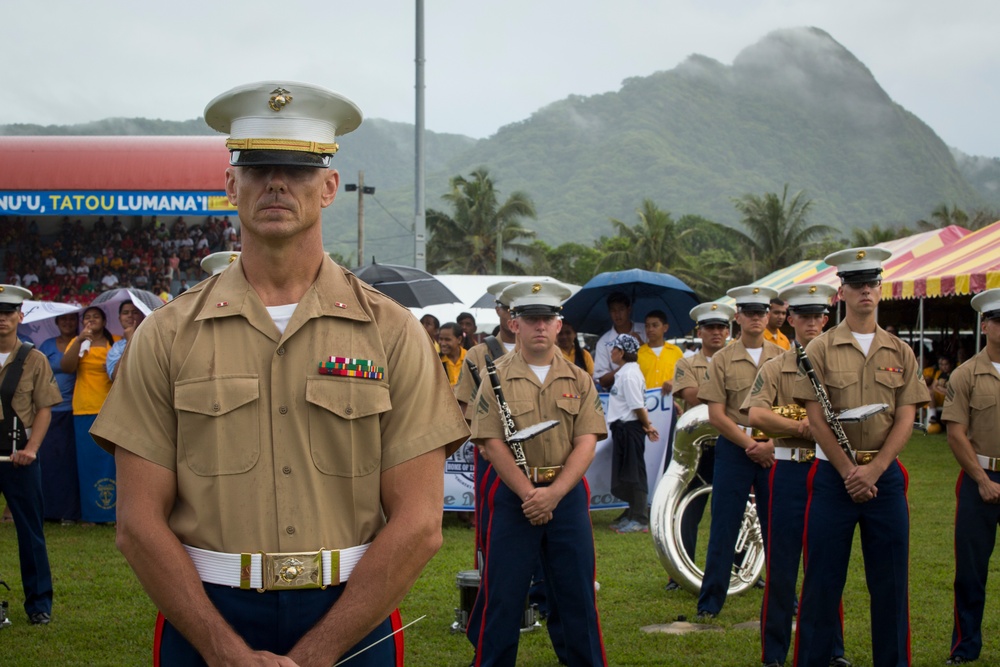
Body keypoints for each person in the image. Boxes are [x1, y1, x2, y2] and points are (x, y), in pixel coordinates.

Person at [90, 80, 470, 665]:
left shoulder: (393, 334)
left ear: (329, 187)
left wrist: (320, 651)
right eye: (258, 166)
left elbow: (419, 523)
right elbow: (138, 523)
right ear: (229, 184)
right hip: (206, 613)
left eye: (296, 169)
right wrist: (224, 651)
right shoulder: (165, 336)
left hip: (353, 613)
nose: (275, 183)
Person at [792, 247, 927, 667]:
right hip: (835, 478)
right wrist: (851, 470)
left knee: (890, 587)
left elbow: (907, 415)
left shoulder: (900, 352)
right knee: (820, 586)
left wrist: (875, 469)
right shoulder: (820, 349)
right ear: (842, 293)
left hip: (884, 480)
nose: (865, 290)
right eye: (856, 284)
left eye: (872, 283)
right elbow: (815, 417)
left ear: (880, 290)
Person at [468, 280, 607, 666]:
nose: (540, 327)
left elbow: (587, 440)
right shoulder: (494, 377)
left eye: (547, 318)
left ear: (559, 325)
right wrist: (530, 493)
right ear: (515, 324)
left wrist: (554, 494)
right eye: (531, 319)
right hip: (515, 496)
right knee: (504, 596)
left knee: (576, 594)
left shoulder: (579, 378)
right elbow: (490, 442)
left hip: (565, 495)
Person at [454, 281, 568, 665]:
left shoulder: (554, 357)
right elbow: (465, 408)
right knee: (500, 559)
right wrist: (493, 439)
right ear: (508, 315)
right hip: (496, 461)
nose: (509, 314)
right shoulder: (479, 354)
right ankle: (487, 633)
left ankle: (542, 604)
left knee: (559, 563)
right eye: (506, 309)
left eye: (543, 316)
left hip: (548, 470)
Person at [741, 284, 849, 667]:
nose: (813, 324)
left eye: (819, 316)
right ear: (790, 320)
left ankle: (832, 649)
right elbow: (755, 415)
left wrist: (794, 421)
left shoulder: (841, 367)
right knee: (783, 567)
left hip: (828, 471)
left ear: (827, 318)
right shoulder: (775, 367)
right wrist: (805, 427)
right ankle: (774, 654)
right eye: (804, 316)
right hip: (787, 470)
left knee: (825, 566)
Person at [697, 285, 782, 619]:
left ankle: (783, 599)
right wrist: (751, 445)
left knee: (777, 527)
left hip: (776, 447)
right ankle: (710, 603)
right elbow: (716, 415)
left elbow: (793, 408)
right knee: (723, 526)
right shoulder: (722, 359)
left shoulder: (782, 357)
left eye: (761, 312)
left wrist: (771, 445)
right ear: (738, 317)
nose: (756, 318)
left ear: (768, 316)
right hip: (734, 448)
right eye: (749, 312)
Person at [941, 288, 1000, 665]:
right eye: (998, 320)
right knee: (970, 571)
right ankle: (965, 647)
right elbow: (956, 433)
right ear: (985, 324)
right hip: (980, 478)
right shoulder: (966, 374)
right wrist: (981, 478)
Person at [0, 284, 63, 625]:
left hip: (18, 455)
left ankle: (39, 604)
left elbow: (43, 409)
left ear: (20, 316)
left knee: (30, 531)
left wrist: (31, 450)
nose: (2, 319)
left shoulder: (33, 358)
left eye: (8, 313)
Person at [666, 302, 735, 591]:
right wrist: (728, 396)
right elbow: (690, 395)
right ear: (700, 331)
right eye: (710, 327)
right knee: (688, 511)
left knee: (737, 511)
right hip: (697, 449)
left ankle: (743, 569)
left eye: (721, 327)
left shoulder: (738, 359)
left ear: (728, 330)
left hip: (732, 445)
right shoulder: (686, 363)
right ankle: (680, 573)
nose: (716, 332)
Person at [60, 305, 119, 524]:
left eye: (96, 317)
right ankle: (90, 513)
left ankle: (111, 512)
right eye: (87, 317)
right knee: (87, 463)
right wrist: (78, 341)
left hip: (108, 408)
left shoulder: (115, 340)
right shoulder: (77, 341)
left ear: (104, 321)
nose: (91, 320)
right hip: (83, 408)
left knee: (110, 461)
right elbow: (66, 367)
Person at [607, 333, 659, 533]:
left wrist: (647, 426)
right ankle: (631, 512)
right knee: (627, 473)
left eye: (614, 349)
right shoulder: (625, 373)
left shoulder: (628, 375)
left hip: (630, 428)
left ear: (621, 352)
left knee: (635, 473)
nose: (611, 352)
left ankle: (640, 518)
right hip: (624, 429)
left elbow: (637, 405)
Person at [36, 311, 81, 522]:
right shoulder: (46, 345)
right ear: (56, 322)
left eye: (72, 319)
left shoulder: (83, 343)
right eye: (63, 319)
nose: (68, 322)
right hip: (49, 410)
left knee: (69, 463)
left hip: (74, 410)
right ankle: (48, 511)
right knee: (48, 462)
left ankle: (69, 512)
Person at [593, 292, 645, 390]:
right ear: (609, 312)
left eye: (621, 309)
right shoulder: (603, 342)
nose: (617, 314)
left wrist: (642, 345)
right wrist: (626, 365)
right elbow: (603, 380)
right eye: (613, 310)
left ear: (629, 309)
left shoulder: (645, 331)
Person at [637, 309, 683, 397]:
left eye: (655, 325)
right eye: (647, 326)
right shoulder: (638, 353)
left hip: (669, 401)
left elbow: (684, 376)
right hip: (645, 403)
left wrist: (673, 381)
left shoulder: (676, 352)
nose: (650, 329)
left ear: (665, 328)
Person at [106, 300, 146, 381]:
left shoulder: (151, 339)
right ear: (120, 318)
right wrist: (129, 342)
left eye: (135, 312)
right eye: (125, 313)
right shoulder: (117, 347)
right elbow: (116, 377)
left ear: (142, 316)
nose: (130, 316)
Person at [926, 355, 954, 434]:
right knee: (930, 392)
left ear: (951, 365)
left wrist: (939, 388)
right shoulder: (941, 374)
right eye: (942, 365)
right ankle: (933, 415)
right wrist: (941, 390)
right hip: (942, 396)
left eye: (946, 364)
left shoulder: (955, 374)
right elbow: (933, 386)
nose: (944, 367)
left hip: (951, 399)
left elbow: (952, 390)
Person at [439, 322, 467, 386]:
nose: (443, 343)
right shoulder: (436, 361)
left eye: (447, 340)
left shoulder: (470, 358)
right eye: (440, 339)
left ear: (459, 339)